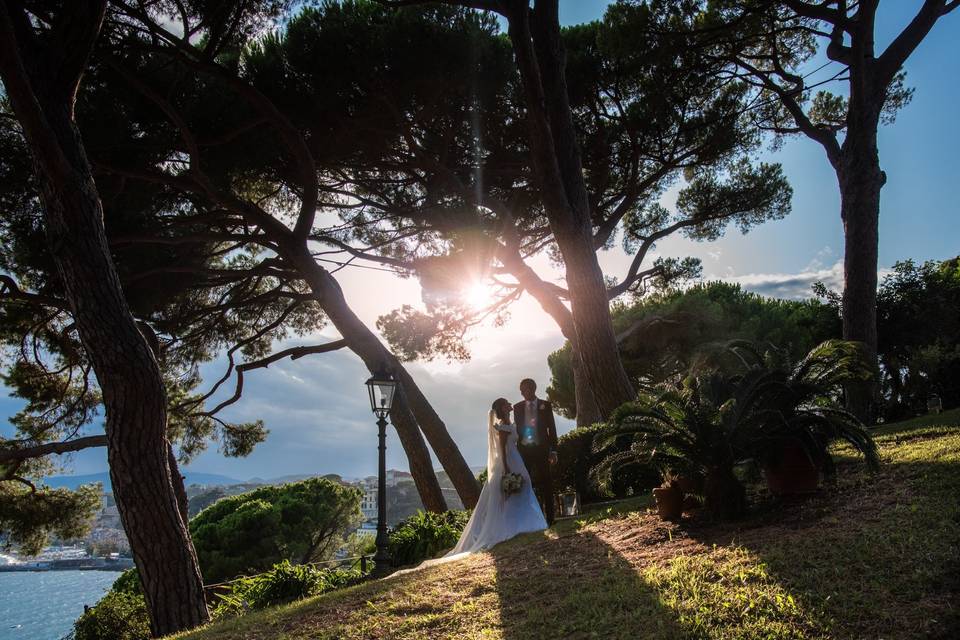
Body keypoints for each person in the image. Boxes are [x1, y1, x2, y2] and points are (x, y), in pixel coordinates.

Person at [446, 398, 547, 555]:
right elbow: (501, 449)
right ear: (502, 407)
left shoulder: (509, 422)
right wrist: (506, 469)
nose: (510, 404)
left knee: (524, 487)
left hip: (516, 458)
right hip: (509, 461)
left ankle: (525, 522)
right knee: (516, 489)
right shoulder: (502, 426)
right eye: (507, 402)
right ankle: (517, 524)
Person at [513, 378, 558, 525]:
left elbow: (551, 429)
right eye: (520, 390)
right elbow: (518, 430)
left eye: (523, 389)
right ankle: (531, 520)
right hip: (524, 451)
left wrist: (553, 451)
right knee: (526, 484)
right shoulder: (517, 407)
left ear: (532, 389)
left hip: (542, 450)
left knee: (547, 482)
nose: (521, 392)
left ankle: (550, 519)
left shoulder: (545, 405)